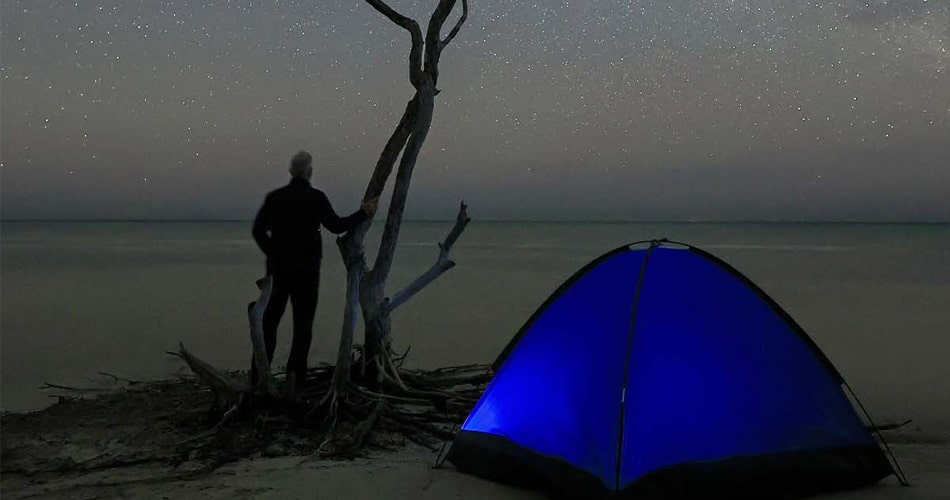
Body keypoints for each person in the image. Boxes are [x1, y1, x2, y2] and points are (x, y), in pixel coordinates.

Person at [251, 150, 376, 396]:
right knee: (303, 324)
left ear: (290, 171)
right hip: (307, 270)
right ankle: (295, 378)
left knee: (269, 322)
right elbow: (336, 226)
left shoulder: (275, 198)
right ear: (309, 172)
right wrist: (364, 213)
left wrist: (273, 252)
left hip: (278, 269)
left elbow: (258, 231)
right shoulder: (315, 197)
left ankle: (258, 376)